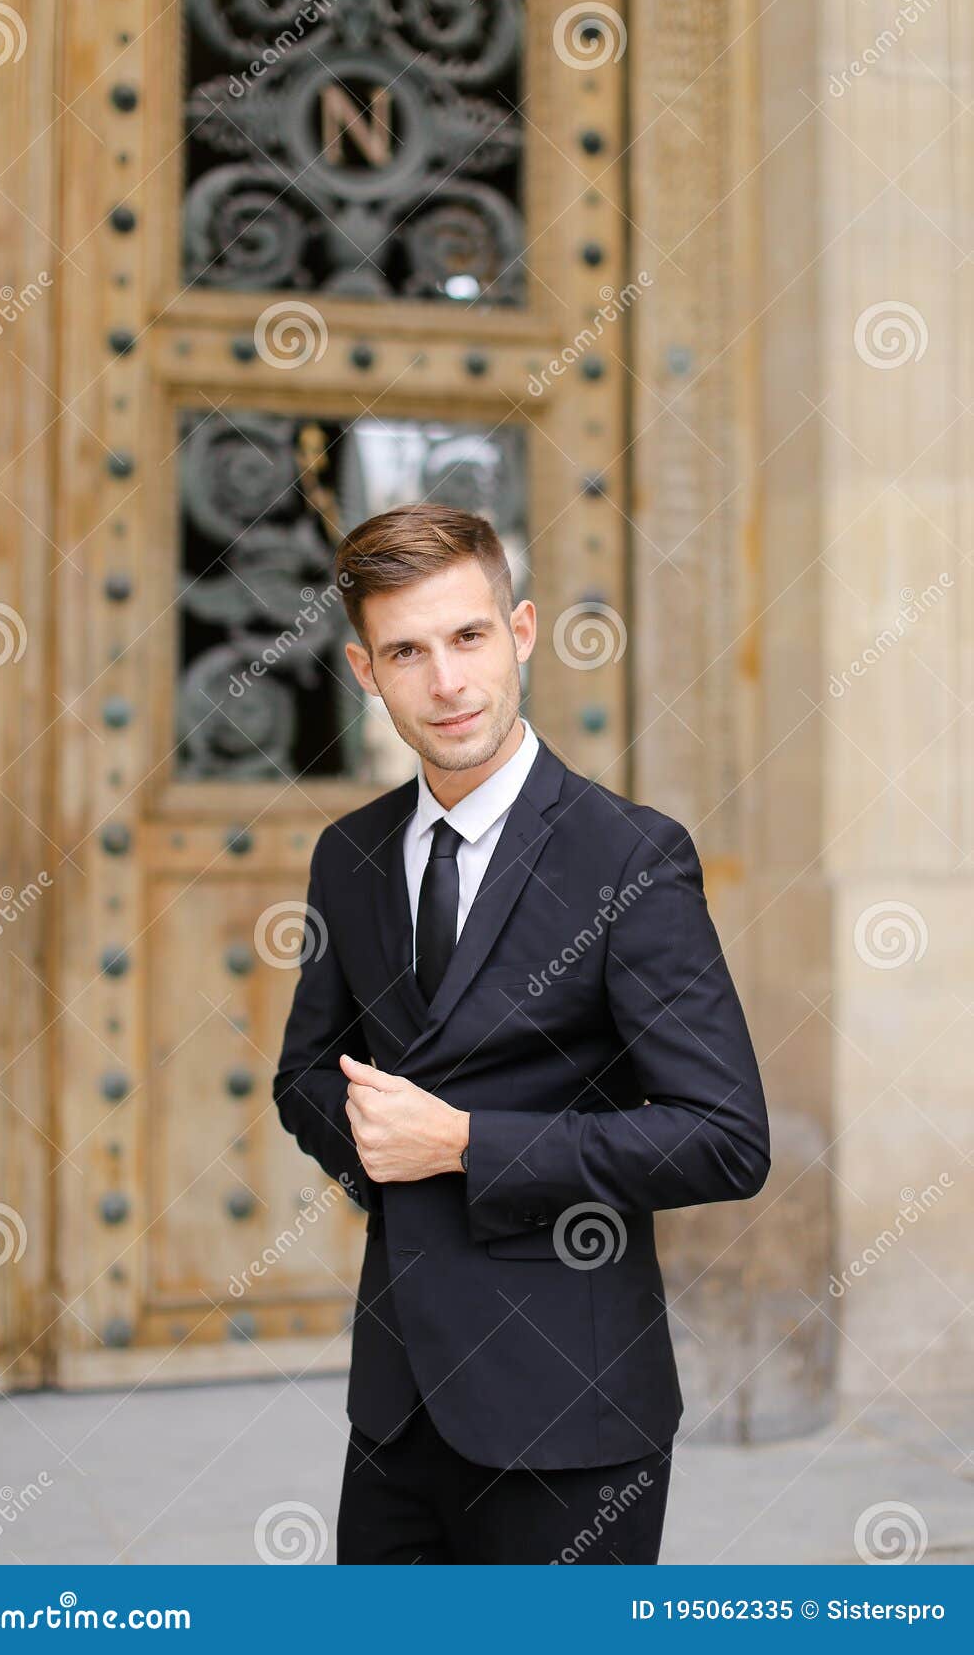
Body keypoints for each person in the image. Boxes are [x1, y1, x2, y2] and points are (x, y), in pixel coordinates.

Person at [273, 503, 770, 1564]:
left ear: (523, 632)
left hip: (573, 1414)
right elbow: (303, 1072)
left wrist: (461, 1144)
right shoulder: (348, 855)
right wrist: (368, 1138)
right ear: (364, 670)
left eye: (468, 637)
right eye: (407, 650)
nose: (446, 682)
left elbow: (723, 1136)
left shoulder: (628, 857)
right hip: (395, 1409)